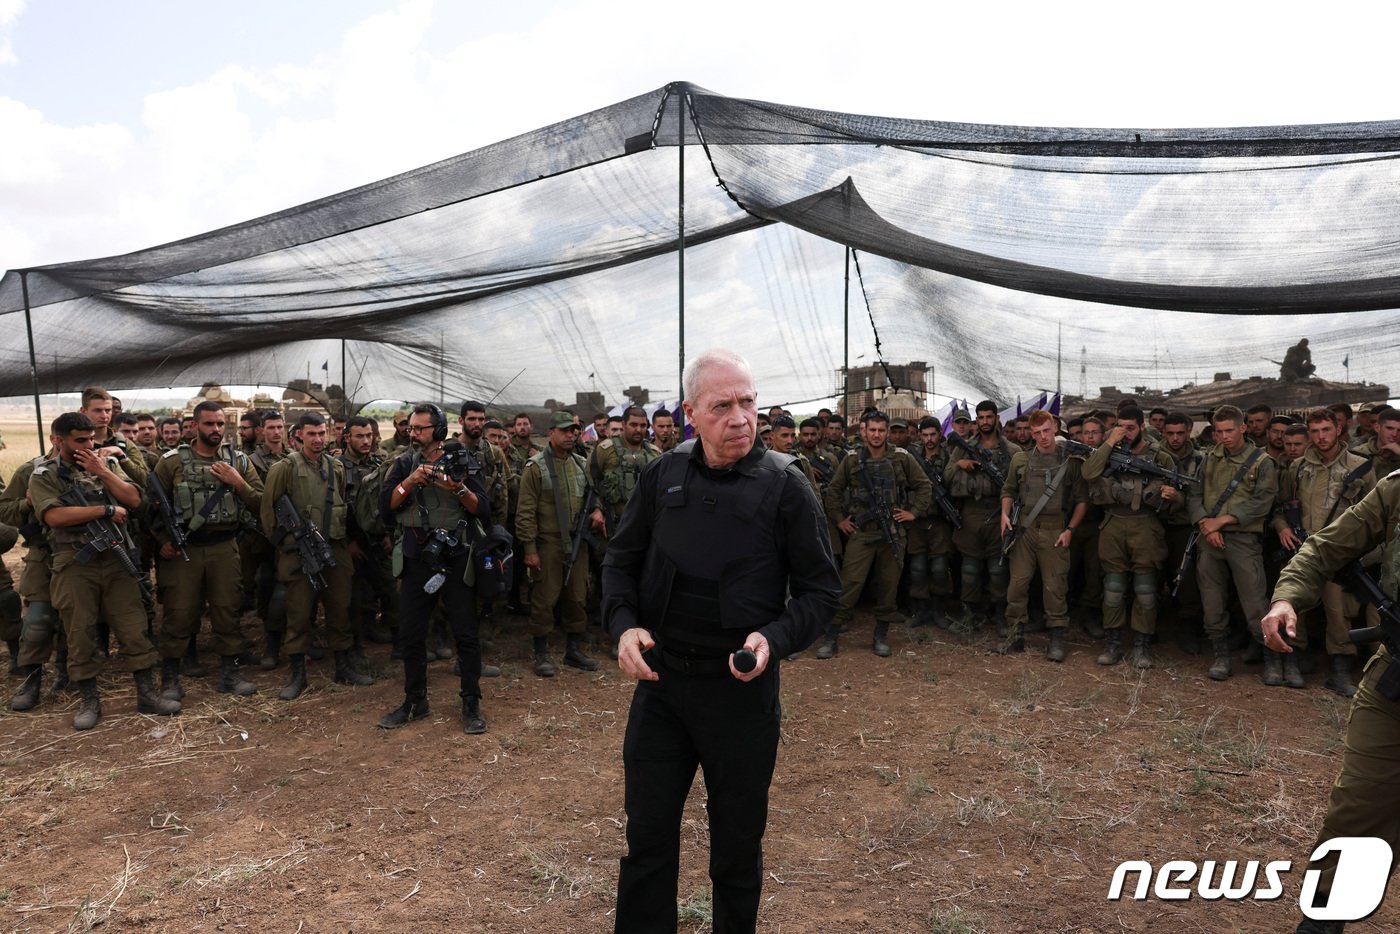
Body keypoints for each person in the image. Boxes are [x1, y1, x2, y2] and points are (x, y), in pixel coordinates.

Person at [604, 349, 839, 933]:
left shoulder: (786, 486)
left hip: (739, 696)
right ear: (690, 413)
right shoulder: (663, 475)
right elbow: (620, 562)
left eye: (748, 402)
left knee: (736, 848)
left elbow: (821, 592)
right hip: (662, 688)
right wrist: (623, 624)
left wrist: (773, 638)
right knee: (647, 838)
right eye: (722, 406)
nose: (740, 418)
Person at [1262, 471, 1400, 934]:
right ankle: (1324, 918)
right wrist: (1286, 600)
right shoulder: (1396, 489)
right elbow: (1322, 549)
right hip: (1395, 684)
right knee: (1360, 805)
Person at [27, 412, 179, 729]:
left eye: (91, 439)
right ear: (58, 440)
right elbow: (53, 516)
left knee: (133, 627)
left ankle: (146, 694)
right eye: (79, 440)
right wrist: (104, 510)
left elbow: (134, 499)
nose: (88, 446)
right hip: (74, 563)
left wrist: (103, 472)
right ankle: (89, 700)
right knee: (80, 632)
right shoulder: (44, 475)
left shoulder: (105, 464)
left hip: (114, 559)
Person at [377, 403, 493, 733]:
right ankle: (415, 701)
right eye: (411, 428)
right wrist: (410, 481)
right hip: (417, 558)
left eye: (420, 429)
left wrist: (459, 488)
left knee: (465, 634)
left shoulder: (463, 460)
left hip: (456, 557)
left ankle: (470, 702)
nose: (413, 433)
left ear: (438, 430)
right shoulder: (403, 463)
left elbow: (483, 509)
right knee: (411, 634)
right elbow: (385, 508)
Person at [152, 401, 263, 699]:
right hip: (184, 550)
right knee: (179, 613)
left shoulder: (239, 461)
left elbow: (260, 502)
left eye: (220, 424)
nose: (216, 429)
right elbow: (153, 506)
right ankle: (170, 678)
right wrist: (162, 541)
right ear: (194, 426)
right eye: (209, 424)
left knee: (228, 609)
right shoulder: (171, 462)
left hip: (224, 547)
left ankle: (230, 673)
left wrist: (238, 483)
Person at [260, 412, 372, 700]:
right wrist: (289, 546)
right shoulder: (284, 468)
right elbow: (269, 514)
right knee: (298, 613)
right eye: (312, 433)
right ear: (299, 435)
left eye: (322, 433)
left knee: (340, 607)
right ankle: (298, 674)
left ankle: (343, 667)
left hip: (334, 547)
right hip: (299, 551)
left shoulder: (335, 466)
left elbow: (340, 505)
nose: (318, 439)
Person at [1271, 408, 1375, 696]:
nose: (1321, 437)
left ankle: (1340, 669)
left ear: (1338, 430)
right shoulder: (1298, 467)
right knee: (1295, 604)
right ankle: (1294, 657)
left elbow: (1374, 514)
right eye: (1315, 431)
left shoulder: (1360, 467)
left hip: (1341, 553)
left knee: (1338, 611)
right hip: (1304, 550)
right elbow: (1280, 507)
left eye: (1326, 430)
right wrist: (1283, 528)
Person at [819, 410, 931, 658]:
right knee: (850, 584)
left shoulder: (901, 458)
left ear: (887, 432)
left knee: (888, 586)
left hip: (892, 532)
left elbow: (924, 485)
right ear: (864, 431)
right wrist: (839, 520)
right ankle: (831, 636)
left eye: (881, 430)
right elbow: (834, 491)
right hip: (862, 533)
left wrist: (913, 512)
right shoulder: (851, 460)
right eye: (872, 430)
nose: (877, 435)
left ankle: (881, 635)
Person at [1080, 406, 1178, 668]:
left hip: (1146, 526)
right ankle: (1112, 643)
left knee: (1145, 591)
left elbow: (1179, 496)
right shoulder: (1107, 451)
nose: (1125, 433)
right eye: (1120, 427)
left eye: (1130, 428)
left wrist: (1174, 497)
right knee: (1113, 589)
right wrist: (1109, 442)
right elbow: (1088, 473)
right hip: (1113, 523)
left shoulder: (1160, 457)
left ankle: (1141, 646)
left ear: (1142, 426)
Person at [1187, 404, 1278, 682]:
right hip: (1209, 538)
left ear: (1243, 428)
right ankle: (1221, 655)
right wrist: (1206, 524)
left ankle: (1272, 658)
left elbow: (1262, 502)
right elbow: (1194, 494)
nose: (1224, 436)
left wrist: (1222, 521)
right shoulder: (1209, 459)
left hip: (1243, 539)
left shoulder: (1262, 462)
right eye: (1219, 431)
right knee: (1212, 601)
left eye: (1229, 430)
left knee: (1255, 602)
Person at [515, 411, 604, 676]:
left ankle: (573, 650)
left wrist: (597, 510)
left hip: (578, 541)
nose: (571, 435)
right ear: (551, 432)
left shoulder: (581, 463)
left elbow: (594, 494)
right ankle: (541, 652)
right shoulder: (536, 467)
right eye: (564, 430)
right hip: (548, 543)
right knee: (545, 598)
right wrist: (529, 549)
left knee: (577, 596)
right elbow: (525, 512)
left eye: (574, 431)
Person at [1000, 410, 1088, 660]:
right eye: (1037, 432)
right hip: (1024, 529)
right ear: (1031, 433)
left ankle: (1056, 638)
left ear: (1055, 428)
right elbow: (1008, 490)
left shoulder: (1070, 462)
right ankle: (1015, 635)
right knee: (1017, 584)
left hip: (1055, 529)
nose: (1043, 437)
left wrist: (1070, 530)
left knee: (1054, 586)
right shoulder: (1021, 459)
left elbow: (1082, 500)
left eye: (1046, 430)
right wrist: (1004, 515)